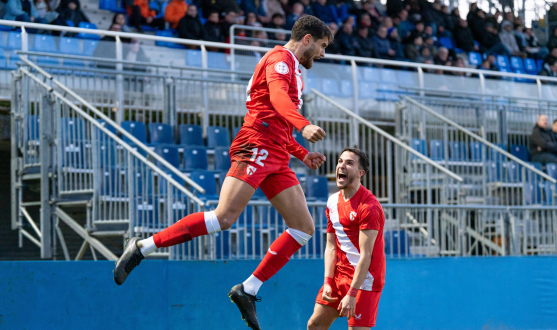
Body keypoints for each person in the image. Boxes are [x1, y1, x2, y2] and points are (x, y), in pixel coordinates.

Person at [113, 16, 333, 330]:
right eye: (322, 46)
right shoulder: (280, 59)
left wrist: (301, 152)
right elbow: (278, 100)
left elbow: (278, 118)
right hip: (256, 144)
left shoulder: (293, 67)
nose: (323, 54)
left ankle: (248, 289)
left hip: (275, 152)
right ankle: (142, 246)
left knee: (303, 228)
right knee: (223, 218)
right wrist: (304, 124)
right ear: (308, 38)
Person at [306, 148, 385, 330]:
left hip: (365, 280)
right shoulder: (332, 201)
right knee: (314, 325)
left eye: (349, 163)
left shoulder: (369, 207)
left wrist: (352, 293)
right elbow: (331, 247)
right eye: (340, 161)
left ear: (360, 173)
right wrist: (327, 281)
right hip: (340, 275)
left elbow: (366, 255)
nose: (342, 165)